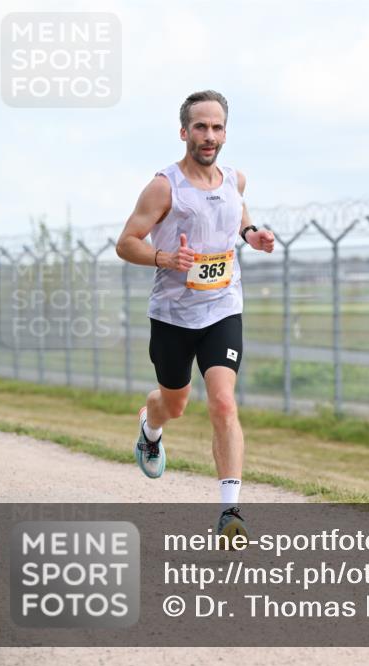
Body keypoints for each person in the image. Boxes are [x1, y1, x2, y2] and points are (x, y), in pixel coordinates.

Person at [115, 90, 275, 539]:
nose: (210, 136)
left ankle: (231, 512)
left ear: (225, 132)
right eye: (201, 127)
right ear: (184, 132)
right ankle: (151, 427)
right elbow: (126, 242)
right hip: (172, 314)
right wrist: (165, 259)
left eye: (217, 127)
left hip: (223, 305)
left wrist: (250, 234)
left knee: (223, 401)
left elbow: (235, 210)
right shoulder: (164, 186)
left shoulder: (234, 179)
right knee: (175, 404)